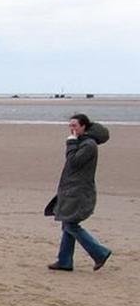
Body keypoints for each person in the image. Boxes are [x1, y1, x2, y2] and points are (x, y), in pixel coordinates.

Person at [45, 113, 113, 271]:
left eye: (75, 126)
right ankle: (64, 261)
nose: (72, 129)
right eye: (70, 126)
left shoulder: (88, 145)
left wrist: (71, 143)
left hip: (79, 191)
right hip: (71, 189)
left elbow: (74, 162)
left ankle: (100, 253)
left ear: (84, 126)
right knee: (67, 224)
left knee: (71, 224)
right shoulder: (82, 142)